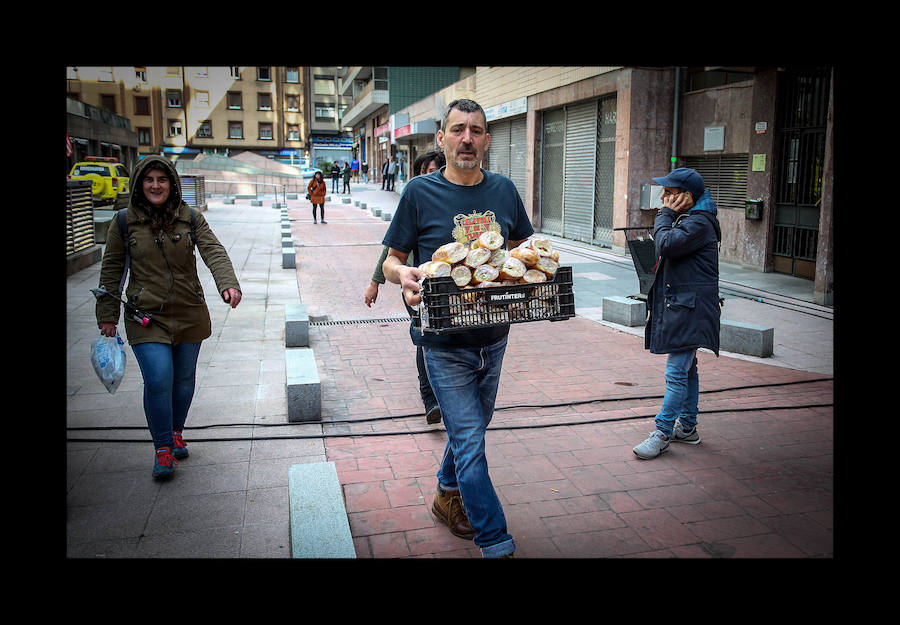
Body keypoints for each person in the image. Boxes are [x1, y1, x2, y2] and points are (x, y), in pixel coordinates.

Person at [382, 99, 533, 558]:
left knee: (474, 427)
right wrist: (401, 277)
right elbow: (392, 260)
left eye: (476, 131)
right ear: (442, 139)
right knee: (469, 438)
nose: (466, 138)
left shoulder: (505, 190)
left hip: (494, 337)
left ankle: (445, 490)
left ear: (486, 140)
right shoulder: (418, 192)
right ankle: (494, 538)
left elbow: (522, 250)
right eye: (458, 130)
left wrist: (530, 269)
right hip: (442, 342)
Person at [95, 155, 242, 480]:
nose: (156, 185)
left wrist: (227, 283)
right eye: (149, 180)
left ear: (172, 183)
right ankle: (162, 449)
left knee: (184, 380)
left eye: (162, 179)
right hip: (145, 316)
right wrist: (107, 313)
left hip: (189, 311)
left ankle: (175, 432)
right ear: (139, 184)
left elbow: (213, 250)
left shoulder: (190, 218)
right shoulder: (123, 222)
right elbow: (112, 268)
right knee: (159, 379)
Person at [633, 167, 722, 460]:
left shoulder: (699, 222)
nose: (663, 198)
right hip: (687, 306)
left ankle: (663, 431)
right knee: (688, 369)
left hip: (690, 310)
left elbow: (666, 244)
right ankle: (688, 427)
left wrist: (664, 216)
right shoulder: (694, 219)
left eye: (669, 193)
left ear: (687, 196)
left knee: (675, 372)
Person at [365, 149, 446, 424]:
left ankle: (447, 392)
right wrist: (375, 282)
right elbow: (391, 251)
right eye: (424, 171)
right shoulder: (413, 201)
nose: (428, 176)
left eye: (434, 170)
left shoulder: (449, 205)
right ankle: (430, 399)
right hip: (415, 286)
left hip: (448, 286)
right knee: (426, 338)